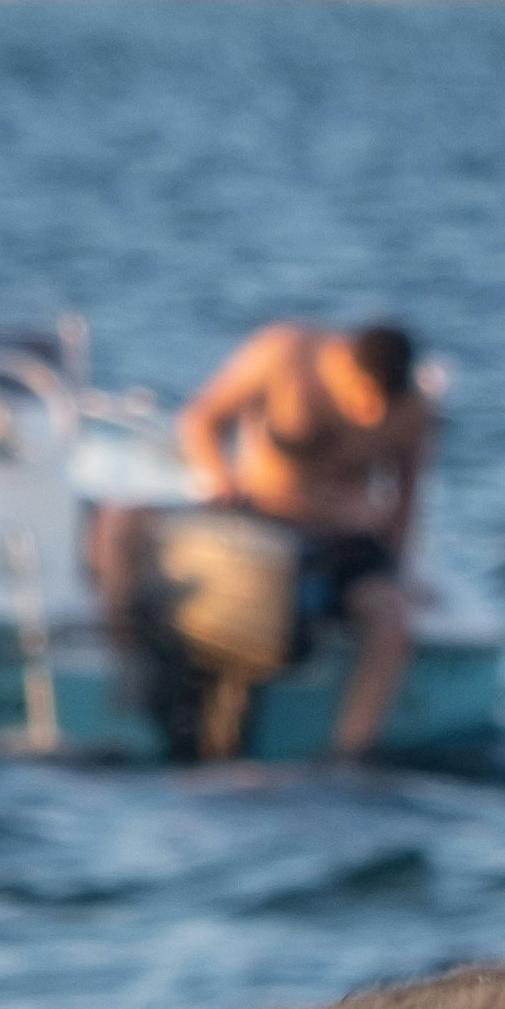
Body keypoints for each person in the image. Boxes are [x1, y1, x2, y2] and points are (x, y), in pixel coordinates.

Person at [141, 316, 434, 760]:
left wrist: (400, 570)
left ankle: (350, 754)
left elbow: (405, 500)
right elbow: (201, 420)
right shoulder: (286, 355)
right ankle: (202, 738)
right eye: (367, 398)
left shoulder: (413, 411)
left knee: (391, 618)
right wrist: (222, 482)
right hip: (262, 524)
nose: (374, 415)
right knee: (247, 611)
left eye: (384, 407)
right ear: (349, 367)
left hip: (344, 540)